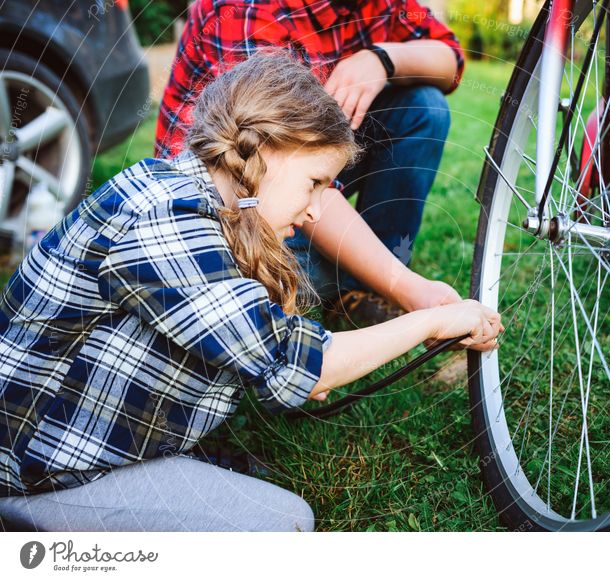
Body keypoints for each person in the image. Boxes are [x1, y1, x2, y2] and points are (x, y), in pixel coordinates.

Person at [0, 50, 502, 532]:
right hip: (32, 469)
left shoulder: (190, 194)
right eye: (314, 182)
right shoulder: (166, 222)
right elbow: (297, 362)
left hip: (57, 437)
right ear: (262, 151)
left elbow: (248, 335)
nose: (315, 212)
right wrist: (432, 320)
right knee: (281, 525)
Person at [155, 0, 466, 328]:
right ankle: (348, 276)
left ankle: (360, 289)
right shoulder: (247, 10)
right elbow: (277, 171)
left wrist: (382, 59)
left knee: (423, 106)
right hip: (236, 206)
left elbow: (450, 57)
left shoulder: (383, 4)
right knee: (271, 282)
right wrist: (409, 288)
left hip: (302, 180)